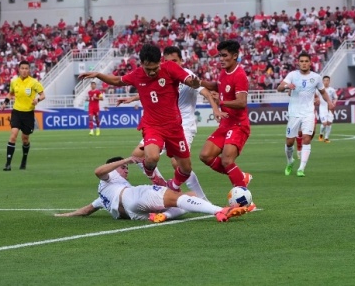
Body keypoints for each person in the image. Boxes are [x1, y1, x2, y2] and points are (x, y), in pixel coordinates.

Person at [79, 44, 201, 192]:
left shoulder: (170, 68)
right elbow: (117, 81)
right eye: (148, 69)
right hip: (152, 126)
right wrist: (99, 75)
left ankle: (172, 186)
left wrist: (193, 83)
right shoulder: (137, 74)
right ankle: (151, 173)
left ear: (160, 62)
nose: (151, 72)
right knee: (151, 158)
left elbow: (188, 80)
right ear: (142, 63)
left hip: (174, 126)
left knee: (185, 168)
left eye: (155, 68)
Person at [117, 46, 222, 200]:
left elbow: (205, 91)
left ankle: (201, 198)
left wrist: (215, 109)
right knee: (138, 155)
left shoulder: (187, 75)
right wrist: (132, 98)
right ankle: (161, 185)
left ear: (181, 60)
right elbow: (154, 92)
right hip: (160, 123)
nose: (171, 63)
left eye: (174, 60)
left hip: (183, 124)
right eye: (168, 61)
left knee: (177, 163)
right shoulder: (162, 72)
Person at [54, 156, 248, 223]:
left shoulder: (104, 193)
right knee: (176, 197)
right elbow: (98, 171)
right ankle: (219, 211)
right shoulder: (110, 177)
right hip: (132, 197)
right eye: (124, 168)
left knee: (188, 196)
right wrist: (126, 160)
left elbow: (87, 209)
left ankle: (166, 216)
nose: (126, 171)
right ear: (114, 168)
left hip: (133, 214)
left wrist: (66, 215)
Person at [199, 40, 253, 191]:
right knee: (205, 155)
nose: (221, 59)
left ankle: (244, 199)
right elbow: (218, 86)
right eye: (219, 56)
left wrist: (221, 102)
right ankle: (240, 176)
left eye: (224, 55)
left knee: (227, 160)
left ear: (235, 56)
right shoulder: (224, 72)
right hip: (225, 124)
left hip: (238, 125)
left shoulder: (240, 75)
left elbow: (242, 102)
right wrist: (199, 82)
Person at [278, 52, 335, 177]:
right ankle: (290, 162)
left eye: (306, 61)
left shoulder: (316, 77)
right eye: (302, 61)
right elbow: (279, 88)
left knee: (306, 139)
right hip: (294, 114)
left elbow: (323, 92)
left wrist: (330, 102)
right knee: (289, 142)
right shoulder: (292, 75)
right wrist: (288, 85)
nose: (304, 63)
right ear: (298, 63)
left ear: (310, 63)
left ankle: (301, 168)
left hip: (308, 113)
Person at [1, 60, 46, 170]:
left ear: (29, 70)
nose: (24, 70)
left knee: (25, 138)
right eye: (22, 68)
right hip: (16, 112)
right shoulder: (14, 81)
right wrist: (5, 103)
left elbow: (43, 95)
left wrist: (37, 100)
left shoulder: (34, 82)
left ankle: (24, 159)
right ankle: (8, 164)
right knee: (13, 135)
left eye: (26, 68)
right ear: (19, 69)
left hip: (28, 114)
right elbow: (11, 93)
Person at [318, 76, 338, 143]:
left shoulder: (332, 90)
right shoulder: (320, 89)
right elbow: (315, 97)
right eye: (325, 80)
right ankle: (321, 134)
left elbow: (335, 98)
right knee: (324, 123)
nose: (326, 82)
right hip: (322, 108)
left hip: (330, 108)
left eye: (327, 80)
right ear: (322, 81)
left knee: (329, 123)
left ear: (329, 81)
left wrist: (334, 103)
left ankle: (326, 138)